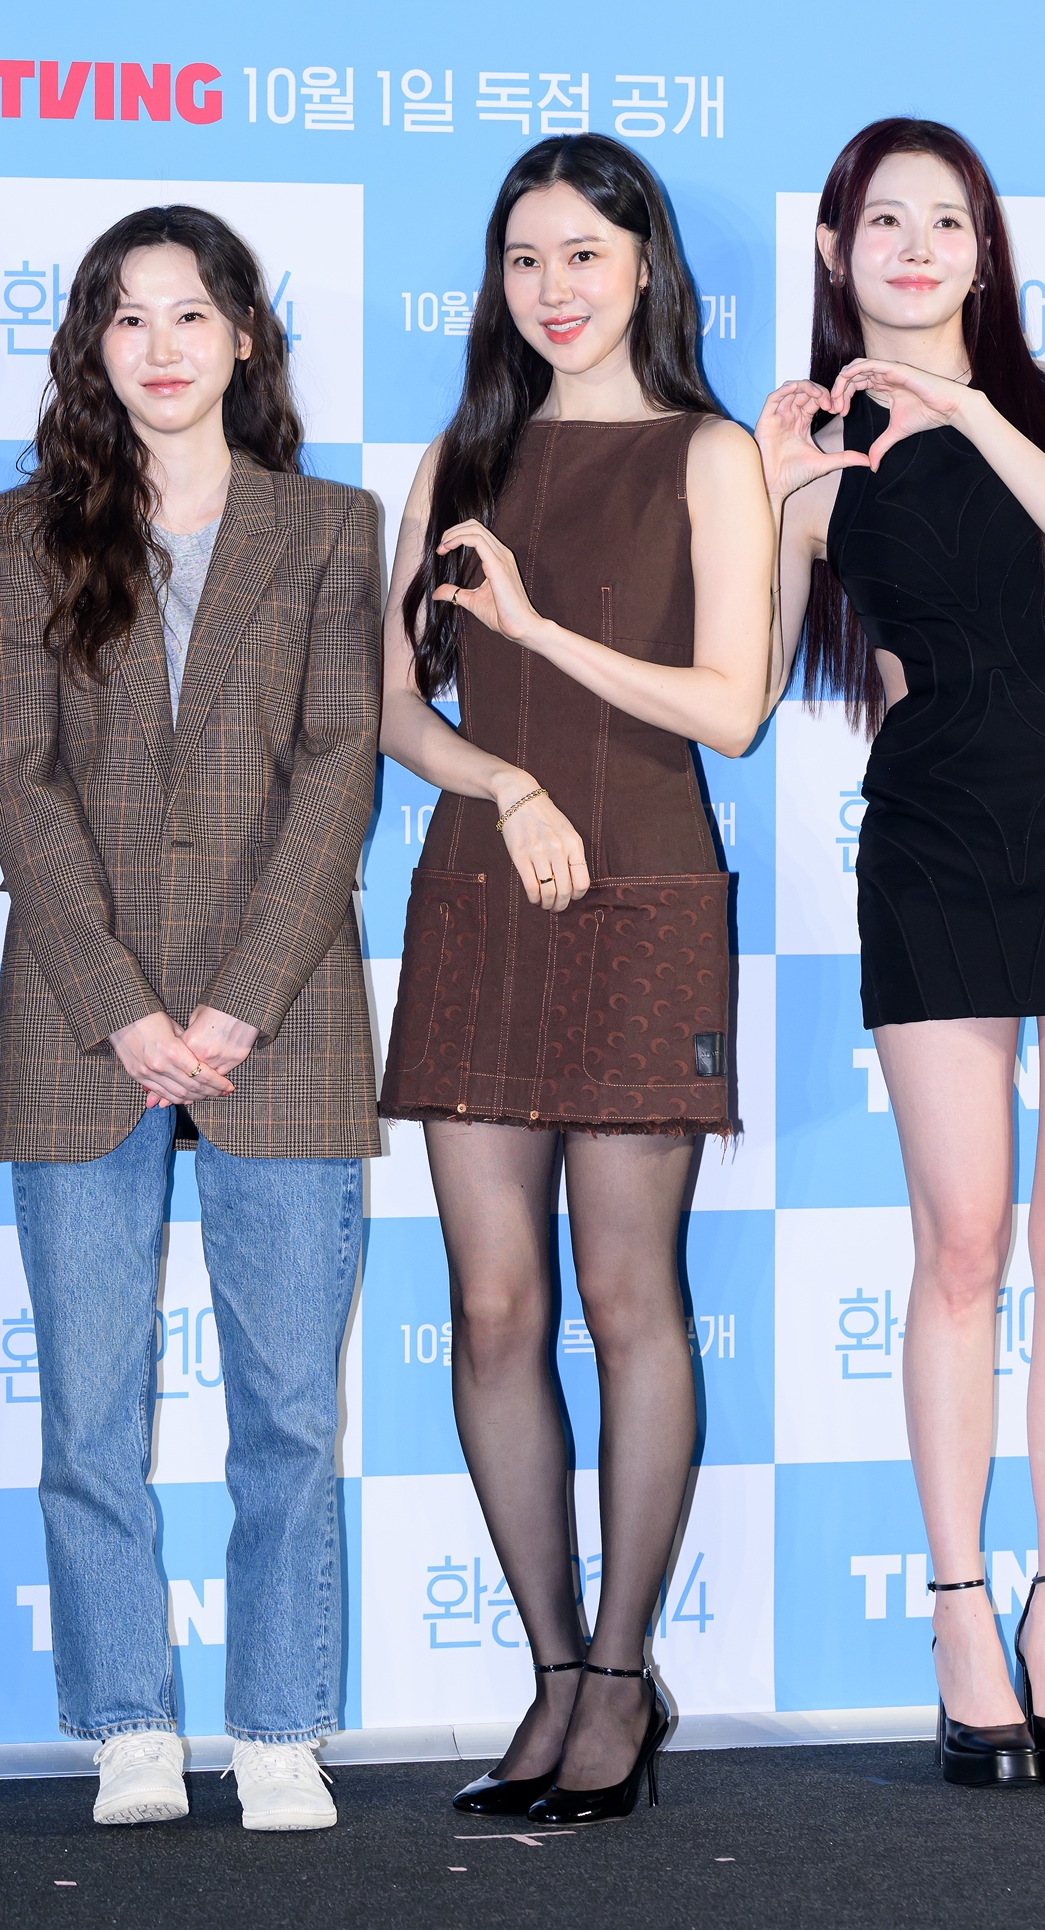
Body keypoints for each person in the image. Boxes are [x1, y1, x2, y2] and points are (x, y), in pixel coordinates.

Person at [756, 117, 1045, 1788]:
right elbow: (766, 677)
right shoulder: (810, 451)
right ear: (835, 250)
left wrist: (965, 414)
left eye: (950, 221)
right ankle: (957, 1612)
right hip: (936, 840)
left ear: (986, 250)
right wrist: (781, 490)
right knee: (961, 1244)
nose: (919, 247)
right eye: (886, 221)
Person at [378, 135, 772, 1824]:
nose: (554, 288)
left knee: (627, 1298)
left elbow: (732, 708)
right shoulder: (457, 456)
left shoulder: (711, 453)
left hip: (648, 889)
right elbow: (391, 705)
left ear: (646, 268)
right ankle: (549, 1671)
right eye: (525, 257)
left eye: (585, 256)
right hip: (482, 886)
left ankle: (621, 1678)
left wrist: (535, 634)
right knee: (492, 1308)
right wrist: (504, 783)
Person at [0, 204, 380, 1835]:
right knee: (90, 1409)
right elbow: (18, 786)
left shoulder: (330, 527)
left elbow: (339, 773)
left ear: (244, 338)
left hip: (284, 1011)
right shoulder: (27, 530)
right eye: (127, 316)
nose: (160, 345)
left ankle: (280, 1723)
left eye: (191, 314)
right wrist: (125, 1009)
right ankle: (127, 1719)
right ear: (93, 343)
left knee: (290, 1411)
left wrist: (237, 1001)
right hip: (80, 1018)